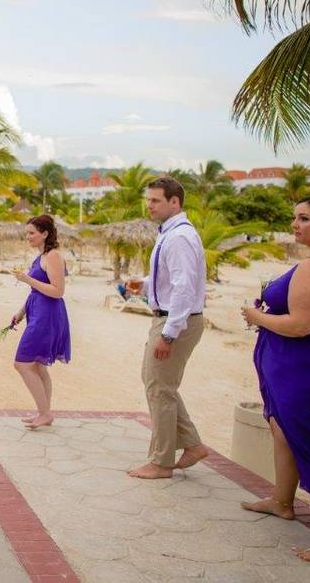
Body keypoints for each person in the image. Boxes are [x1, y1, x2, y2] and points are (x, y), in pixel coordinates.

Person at [240, 196, 310, 569]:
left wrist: (257, 316)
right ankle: (282, 500)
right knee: (284, 433)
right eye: (294, 218)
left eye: (304, 219)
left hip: (309, 372)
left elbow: (301, 324)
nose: (295, 225)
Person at [125, 177, 210, 479]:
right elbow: (174, 280)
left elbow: (184, 289)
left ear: (175, 202)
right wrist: (144, 284)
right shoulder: (170, 234)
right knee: (158, 384)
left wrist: (169, 334)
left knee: (159, 388)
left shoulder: (178, 238)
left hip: (176, 320)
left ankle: (161, 463)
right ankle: (192, 444)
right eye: (148, 200)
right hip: (171, 316)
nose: (149, 205)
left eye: (155, 200)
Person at [10, 215, 71, 430]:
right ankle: (43, 412)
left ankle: (45, 413)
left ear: (45, 233)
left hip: (48, 315)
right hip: (36, 312)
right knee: (37, 365)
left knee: (22, 363)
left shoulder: (53, 256)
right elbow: (36, 291)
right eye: (27, 233)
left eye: (31, 233)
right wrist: (21, 312)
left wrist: (27, 279)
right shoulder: (41, 256)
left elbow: (58, 291)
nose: (28, 237)